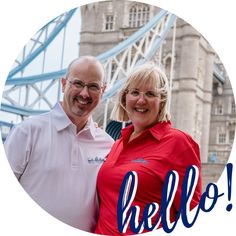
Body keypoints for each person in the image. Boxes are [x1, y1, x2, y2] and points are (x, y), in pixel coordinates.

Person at [4, 56, 114, 232]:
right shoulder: (27, 132)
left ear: (103, 90)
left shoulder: (109, 145)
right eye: (77, 83)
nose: (84, 94)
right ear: (63, 84)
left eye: (93, 86)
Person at [95, 62, 202, 235]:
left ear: (162, 101)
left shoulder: (178, 143)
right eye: (135, 92)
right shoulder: (117, 144)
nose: (141, 100)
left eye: (150, 94)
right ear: (124, 99)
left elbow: (193, 215)